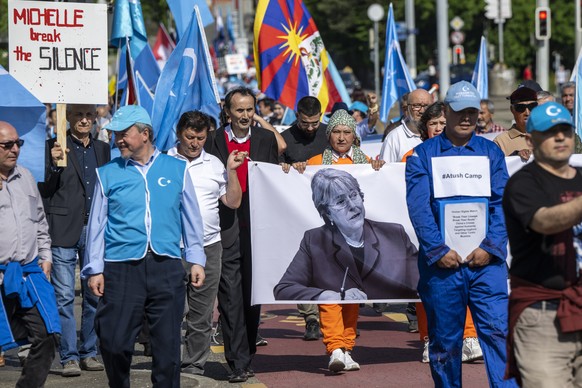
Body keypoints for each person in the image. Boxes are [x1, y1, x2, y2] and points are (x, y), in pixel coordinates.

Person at [81, 105, 207, 387]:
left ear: (145, 134)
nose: (118, 140)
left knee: (167, 349)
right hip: (121, 269)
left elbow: (191, 216)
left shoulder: (177, 168)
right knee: (113, 342)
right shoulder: (108, 173)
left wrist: (196, 258)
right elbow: (97, 226)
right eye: (115, 135)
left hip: (166, 267)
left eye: (124, 134)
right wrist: (94, 268)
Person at [405, 81, 515, 387]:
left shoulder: (490, 152)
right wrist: (438, 251)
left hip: (486, 265)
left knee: (499, 334)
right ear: (446, 110)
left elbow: (502, 203)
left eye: (472, 111)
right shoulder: (420, 155)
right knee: (444, 344)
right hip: (442, 267)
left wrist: (491, 247)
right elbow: (420, 210)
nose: (466, 118)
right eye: (459, 111)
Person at [280, 109, 387, 373]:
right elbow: (297, 182)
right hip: (327, 245)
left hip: (357, 244)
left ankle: (346, 348)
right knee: (329, 295)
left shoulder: (367, 163)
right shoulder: (315, 161)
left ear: (354, 135)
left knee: (352, 298)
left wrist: (380, 170)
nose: (341, 137)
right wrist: (294, 170)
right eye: (336, 132)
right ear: (329, 136)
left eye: (347, 132)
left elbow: (384, 188)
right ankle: (335, 348)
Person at [503, 102, 582, 386]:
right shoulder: (523, 183)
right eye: (550, 132)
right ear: (529, 140)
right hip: (541, 317)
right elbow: (546, 221)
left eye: (565, 130)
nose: (560, 137)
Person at [204, 87, 279, 383]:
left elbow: (275, 177)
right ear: (228, 112)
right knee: (230, 294)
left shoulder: (265, 139)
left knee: (252, 294)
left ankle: (246, 352)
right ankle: (236, 361)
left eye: (250, 110)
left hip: (258, 227)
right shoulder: (213, 141)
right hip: (225, 225)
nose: (245, 116)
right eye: (239, 110)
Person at [401, 102, 483, 364]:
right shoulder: (412, 156)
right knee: (427, 292)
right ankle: (428, 339)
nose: (437, 127)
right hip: (426, 238)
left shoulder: (466, 152)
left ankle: (469, 337)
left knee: (466, 286)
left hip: (461, 234)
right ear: (425, 128)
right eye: (432, 123)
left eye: (441, 123)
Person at [167, 111, 245, 376]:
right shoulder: (164, 161)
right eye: (190, 137)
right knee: (173, 311)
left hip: (209, 246)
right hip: (171, 247)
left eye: (200, 138)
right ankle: (171, 362)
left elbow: (233, 202)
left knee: (201, 314)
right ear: (179, 134)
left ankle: (193, 366)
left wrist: (231, 172)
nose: (195, 143)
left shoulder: (214, 164)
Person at [38, 104, 110, 377]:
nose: (84, 120)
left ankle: (89, 352)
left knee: (94, 294)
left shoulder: (103, 149)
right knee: (65, 297)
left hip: (95, 232)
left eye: (88, 115)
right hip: (63, 231)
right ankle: (68, 355)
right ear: (67, 117)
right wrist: (55, 166)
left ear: (95, 117)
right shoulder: (53, 146)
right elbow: (44, 189)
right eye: (78, 115)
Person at [274, 168, 419, 301]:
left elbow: (423, 281)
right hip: (339, 324)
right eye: (340, 201)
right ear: (327, 213)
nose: (352, 205)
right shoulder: (314, 240)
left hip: (390, 324)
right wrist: (328, 295)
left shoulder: (394, 234)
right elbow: (284, 289)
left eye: (353, 195)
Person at [0, 121, 61, 387]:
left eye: (18, 143)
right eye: (7, 145)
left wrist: (45, 255)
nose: (15, 149)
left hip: (28, 273)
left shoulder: (25, 176)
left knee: (48, 335)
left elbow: (39, 221)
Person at [279, 95, 328, 341]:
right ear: (297, 116)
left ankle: (334, 315)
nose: (310, 128)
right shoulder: (286, 139)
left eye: (315, 123)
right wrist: (285, 169)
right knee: (305, 265)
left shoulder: (331, 134)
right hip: (299, 211)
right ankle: (310, 317)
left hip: (328, 212)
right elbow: (273, 172)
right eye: (305, 123)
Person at [380, 89, 432, 163]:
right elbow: (386, 171)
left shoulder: (441, 133)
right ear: (407, 108)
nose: (422, 111)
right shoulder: (394, 137)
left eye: (427, 106)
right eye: (416, 106)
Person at [494, 85, 538, 161]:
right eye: (520, 108)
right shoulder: (501, 141)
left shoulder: (547, 136)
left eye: (532, 106)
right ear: (512, 110)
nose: (527, 113)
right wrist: (514, 156)